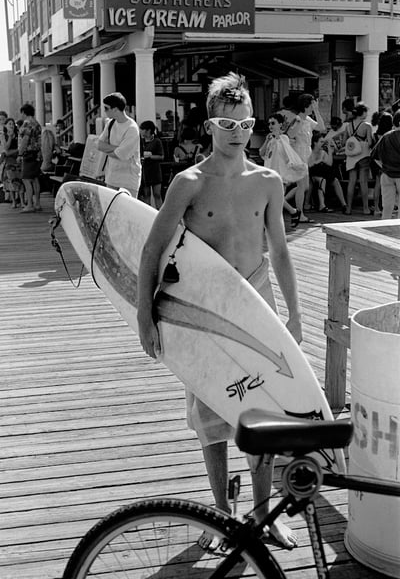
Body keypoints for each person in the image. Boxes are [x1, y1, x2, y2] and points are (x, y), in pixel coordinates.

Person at [137, 72, 302, 550]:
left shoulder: (267, 181)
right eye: (226, 124)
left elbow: (281, 250)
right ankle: (223, 517)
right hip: (204, 307)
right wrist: (146, 318)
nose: (237, 133)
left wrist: (294, 314)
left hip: (256, 302)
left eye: (245, 123)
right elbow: (152, 250)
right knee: (210, 410)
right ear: (208, 125)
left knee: (263, 412)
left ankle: (263, 515)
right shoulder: (189, 183)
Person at [285, 93, 325, 222]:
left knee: (304, 186)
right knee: (302, 186)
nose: (314, 105)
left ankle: (284, 202)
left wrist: (317, 111)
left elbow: (321, 127)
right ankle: (299, 214)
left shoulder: (307, 119)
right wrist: (299, 124)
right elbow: (290, 134)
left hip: (306, 153)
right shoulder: (298, 119)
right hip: (298, 154)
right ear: (306, 104)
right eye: (312, 103)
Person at [259, 113, 302, 228]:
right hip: (269, 173)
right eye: (269, 124)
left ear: (280, 125)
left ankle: (272, 225)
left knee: (275, 200)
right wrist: (267, 141)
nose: (270, 126)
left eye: (273, 123)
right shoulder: (270, 139)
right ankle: (293, 212)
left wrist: (277, 137)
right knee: (275, 199)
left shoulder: (284, 138)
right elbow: (262, 153)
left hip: (280, 174)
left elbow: (286, 152)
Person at [97, 92, 141, 197]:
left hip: (129, 179)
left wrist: (109, 150)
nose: (104, 111)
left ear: (115, 109)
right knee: (111, 210)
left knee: (128, 210)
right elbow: (99, 145)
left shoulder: (132, 128)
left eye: (106, 108)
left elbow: (120, 155)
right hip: (112, 177)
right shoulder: (110, 123)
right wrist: (118, 148)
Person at [343, 102, 373, 215]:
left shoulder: (348, 125)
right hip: (364, 154)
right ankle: (365, 208)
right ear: (363, 113)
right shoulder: (367, 126)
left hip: (351, 156)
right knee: (363, 182)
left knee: (352, 182)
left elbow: (344, 142)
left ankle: (348, 208)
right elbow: (370, 142)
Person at [370, 109, 400, 220]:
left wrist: (385, 167)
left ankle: (384, 229)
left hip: (386, 174)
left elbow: (374, 156)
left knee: (387, 207)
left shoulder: (386, 136)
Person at [307, 131, 347, 213]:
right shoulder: (310, 152)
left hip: (321, 173)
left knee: (335, 180)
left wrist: (330, 151)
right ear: (315, 142)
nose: (323, 144)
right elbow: (310, 165)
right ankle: (322, 205)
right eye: (321, 142)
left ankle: (344, 204)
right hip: (312, 174)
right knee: (322, 180)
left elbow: (329, 163)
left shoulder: (322, 152)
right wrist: (319, 160)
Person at [17, 103, 42, 212]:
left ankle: (30, 204)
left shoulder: (27, 124)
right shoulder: (37, 123)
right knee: (35, 178)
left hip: (28, 154)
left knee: (26, 179)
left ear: (23, 112)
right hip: (37, 153)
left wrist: (20, 154)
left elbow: (25, 140)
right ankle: (37, 203)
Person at [139, 120, 164, 210]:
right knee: (146, 194)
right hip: (144, 170)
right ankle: (147, 212)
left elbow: (161, 156)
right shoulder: (140, 141)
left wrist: (150, 156)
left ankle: (159, 212)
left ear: (148, 130)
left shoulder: (157, 141)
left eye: (142, 129)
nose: (140, 131)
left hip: (155, 170)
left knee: (157, 194)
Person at [1, 118, 23, 208]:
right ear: (5, 125)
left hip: (18, 161)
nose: (11, 125)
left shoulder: (18, 135)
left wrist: (14, 151)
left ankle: (21, 201)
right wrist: (10, 137)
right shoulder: (3, 136)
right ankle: (13, 201)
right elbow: (6, 149)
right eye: (9, 124)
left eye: (13, 124)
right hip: (9, 162)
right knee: (11, 181)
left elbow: (21, 147)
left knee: (20, 181)